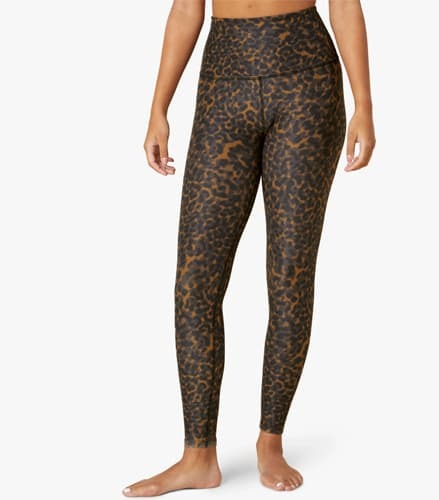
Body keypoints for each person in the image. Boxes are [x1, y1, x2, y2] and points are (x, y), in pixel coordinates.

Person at [123, 0, 375, 496]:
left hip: (306, 84)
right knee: (194, 282)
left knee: (289, 276)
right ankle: (198, 455)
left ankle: (270, 441)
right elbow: (186, 8)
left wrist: (364, 103)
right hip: (224, 81)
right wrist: (158, 106)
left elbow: (344, 3)